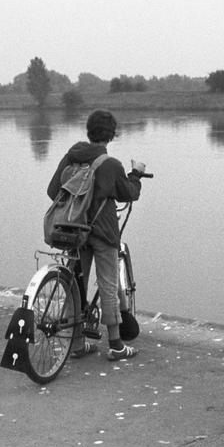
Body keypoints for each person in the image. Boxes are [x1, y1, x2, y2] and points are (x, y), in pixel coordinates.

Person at [48, 109, 143, 361]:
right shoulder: (110, 165)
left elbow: (52, 190)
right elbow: (127, 193)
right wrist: (136, 176)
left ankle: (78, 343)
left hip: (73, 230)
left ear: (89, 132)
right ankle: (116, 345)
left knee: (76, 284)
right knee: (108, 284)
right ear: (111, 135)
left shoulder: (72, 156)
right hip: (102, 232)